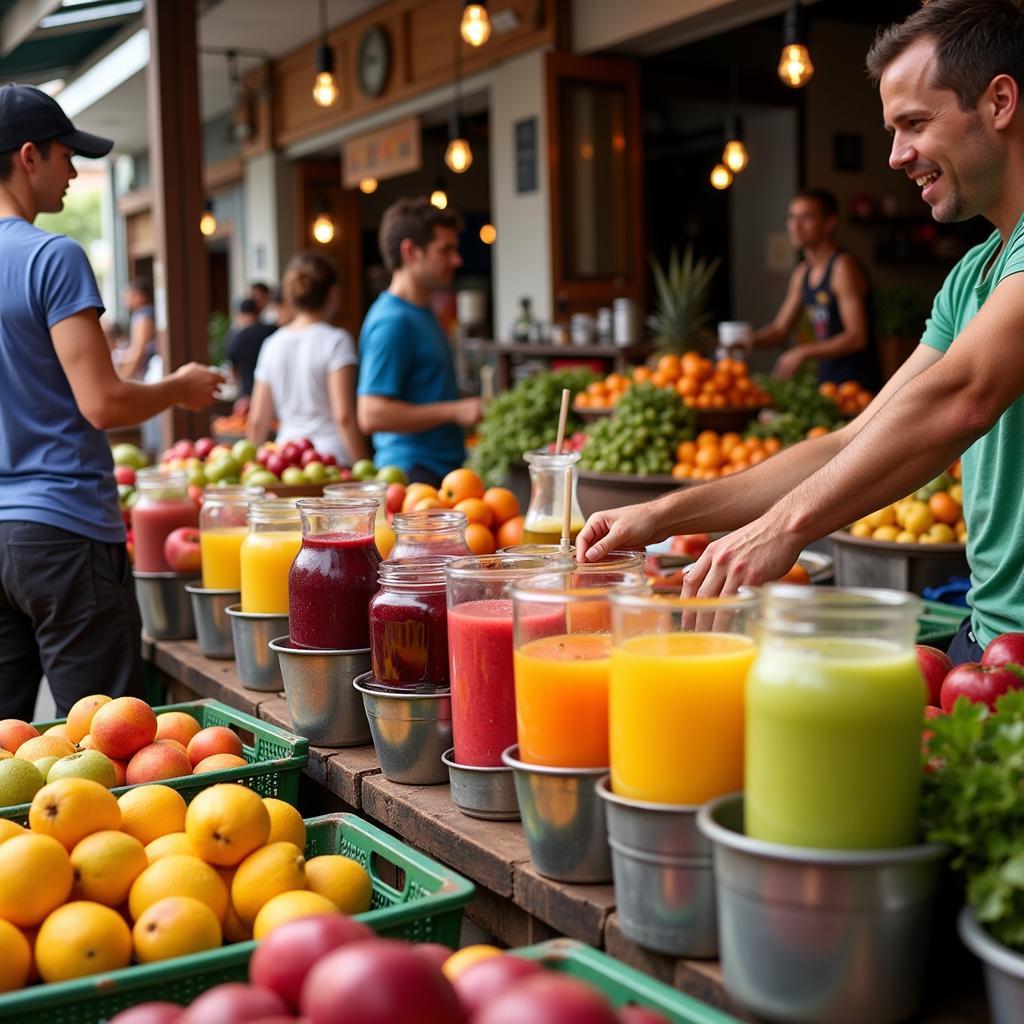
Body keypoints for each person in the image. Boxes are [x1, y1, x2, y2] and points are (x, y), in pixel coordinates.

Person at [577, 0, 1024, 665]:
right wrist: (662, 515)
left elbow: (963, 397)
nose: (898, 155)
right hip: (988, 642)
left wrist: (783, 527)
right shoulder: (972, 276)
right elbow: (853, 438)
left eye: (914, 123)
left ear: (1000, 101)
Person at [0, 83, 222, 719]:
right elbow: (101, 403)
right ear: (28, 156)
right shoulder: (53, 257)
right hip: (64, 532)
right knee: (111, 741)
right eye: (66, 153)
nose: (75, 169)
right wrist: (178, 387)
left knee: (11, 747)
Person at [356, 197, 482, 485]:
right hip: (413, 476)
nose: (457, 260)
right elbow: (371, 413)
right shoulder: (392, 321)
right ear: (411, 252)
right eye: (445, 250)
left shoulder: (421, 312)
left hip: (437, 472)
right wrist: (455, 411)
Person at [247, 250, 369, 465]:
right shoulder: (336, 341)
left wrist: (249, 466)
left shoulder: (272, 344)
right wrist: (364, 466)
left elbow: (258, 421)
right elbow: (344, 416)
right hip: (330, 459)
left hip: (286, 460)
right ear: (333, 293)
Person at [752, 189, 882, 389]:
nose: (796, 226)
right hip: (826, 384)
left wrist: (803, 351)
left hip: (856, 388)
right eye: (792, 217)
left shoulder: (842, 267)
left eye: (807, 217)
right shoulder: (802, 272)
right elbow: (779, 330)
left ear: (829, 223)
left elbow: (857, 337)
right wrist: (746, 341)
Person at [226, 297, 275, 397]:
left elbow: (234, 372)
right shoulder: (274, 332)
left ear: (240, 315)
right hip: (274, 393)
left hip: (248, 395)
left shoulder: (236, 339)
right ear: (258, 312)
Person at [119, 277, 157, 381]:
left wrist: (124, 378)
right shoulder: (141, 315)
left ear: (141, 296)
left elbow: (139, 351)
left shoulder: (144, 317)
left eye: (130, 295)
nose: (125, 299)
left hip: (150, 372)